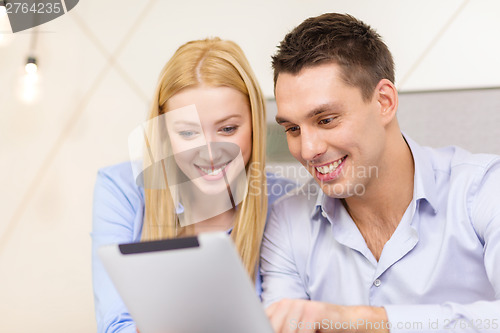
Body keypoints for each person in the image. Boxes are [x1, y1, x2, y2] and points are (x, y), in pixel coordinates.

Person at [261, 13, 500, 333]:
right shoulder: (288, 219)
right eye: (292, 128)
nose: (307, 150)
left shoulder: (483, 189)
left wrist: (365, 322)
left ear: (384, 101)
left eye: (326, 119)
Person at [91, 38, 295, 333]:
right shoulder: (122, 189)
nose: (210, 154)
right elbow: (114, 324)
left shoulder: (286, 200)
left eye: (228, 129)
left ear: (254, 123)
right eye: (188, 132)